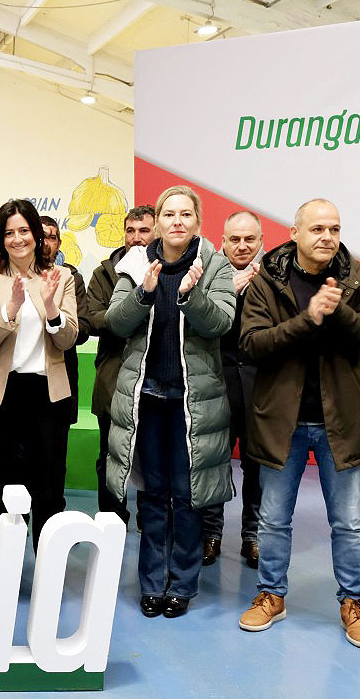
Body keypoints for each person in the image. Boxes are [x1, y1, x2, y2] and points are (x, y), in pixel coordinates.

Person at [238, 198, 360, 649]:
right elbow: (252, 344)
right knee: (273, 519)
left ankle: (354, 603)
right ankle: (271, 595)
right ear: (295, 233)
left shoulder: (358, 278)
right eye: (318, 228)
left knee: (349, 522)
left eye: (334, 229)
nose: (327, 237)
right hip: (281, 420)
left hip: (341, 422)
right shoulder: (267, 281)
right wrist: (309, 319)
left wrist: (339, 311)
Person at [104, 185, 235, 619]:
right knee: (153, 495)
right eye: (169, 214)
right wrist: (143, 293)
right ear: (157, 221)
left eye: (185, 214)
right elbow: (116, 322)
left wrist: (191, 296)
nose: (177, 221)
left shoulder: (214, 264)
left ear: (198, 221)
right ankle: (151, 584)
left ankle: (181, 584)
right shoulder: (136, 262)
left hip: (191, 403)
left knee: (188, 495)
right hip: (147, 399)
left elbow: (221, 323)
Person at [0, 200, 79, 565]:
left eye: (24, 230)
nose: (17, 239)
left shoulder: (61, 277)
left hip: (46, 395)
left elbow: (68, 339)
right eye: (9, 233)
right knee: (0, 487)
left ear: (36, 234)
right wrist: (12, 306)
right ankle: (1, 566)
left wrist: (50, 307)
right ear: (0, 239)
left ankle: (49, 565)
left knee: (48, 488)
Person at [200, 211, 264, 568]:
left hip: (261, 391)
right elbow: (198, 326)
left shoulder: (272, 279)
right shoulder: (207, 274)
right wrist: (230, 291)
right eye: (234, 239)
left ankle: (252, 536)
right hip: (215, 386)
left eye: (249, 239)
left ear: (260, 242)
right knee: (213, 465)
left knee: (258, 469)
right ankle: (211, 535)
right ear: (222, 241)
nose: (242, 246)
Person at [87, 206, 155, 524]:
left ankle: (149, 519)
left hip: (154, 378)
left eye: (144, 231)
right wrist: (133, 314)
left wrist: (119, 317)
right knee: (110, 455)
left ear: (156, 233)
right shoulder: (103, 274)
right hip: (113, 378)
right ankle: (111, 519)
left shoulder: (169, 269)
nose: (136, 238)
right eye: (131, 231)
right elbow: (94, 319)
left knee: (152, 455)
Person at [39, 214, 92, 495]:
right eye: (41, 236)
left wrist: (55, 318)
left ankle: (53, 517)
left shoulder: (72, 278)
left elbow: (83, 329)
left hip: (60, 379)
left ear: (59, 243)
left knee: (54, 460)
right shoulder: (16, 276)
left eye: (52, 237)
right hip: (21, 385)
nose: (46, 242)